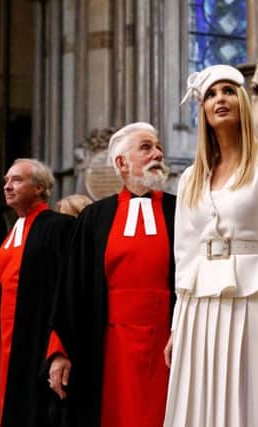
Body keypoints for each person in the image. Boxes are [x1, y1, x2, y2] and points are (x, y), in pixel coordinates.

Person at [164, 64, 258, 427]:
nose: (219, 99)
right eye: (211, 94)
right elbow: (184, 256)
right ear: (203, 110)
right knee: (199, 406)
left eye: (228, 91)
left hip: (254, 305)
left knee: (250, 405)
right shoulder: (191, 178)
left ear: (242, 100)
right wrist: (177, 326)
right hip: (198, 309)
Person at [49, 122, 176, 427]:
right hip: (108, 346)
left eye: (158, 146)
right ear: (121, 162)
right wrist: (59, 352)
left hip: (170, 343)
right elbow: (71, 287)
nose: (157, 153)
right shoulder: (95, 217)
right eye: (146, 147)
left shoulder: (180, 210)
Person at [0, 159, 73, 427]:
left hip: (38, 338)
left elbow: (67, 290)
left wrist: (58, 345)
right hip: (8, 340)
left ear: (40, 187)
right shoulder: (12, 231)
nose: (7, 186)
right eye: (6, 181)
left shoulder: (58, 226)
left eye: (16, 180)